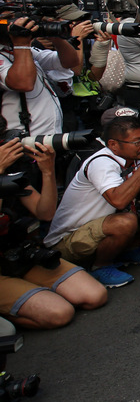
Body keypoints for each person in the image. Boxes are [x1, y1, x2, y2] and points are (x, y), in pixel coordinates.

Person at [45, 110, 140, 288]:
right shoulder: (101, 162)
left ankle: (128, 250)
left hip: (106, 224)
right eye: (137, 142)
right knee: (126, 222)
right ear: (113, 144)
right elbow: (119, 201)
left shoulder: (135, 156)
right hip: (69, 238)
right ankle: (100, 266)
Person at [0, 138, 108, 328]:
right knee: (60, 313)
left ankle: (28, 295)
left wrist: (47, 171)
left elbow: (45, 213)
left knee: (94, 296)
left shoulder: (9, 173)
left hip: (17, 254)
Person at [0, 15, 90, 136]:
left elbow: (70, 62)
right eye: (8, 19)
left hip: (49, 136)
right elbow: (23, 83)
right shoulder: (19, 49)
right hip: (23, 141)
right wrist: (21, 44)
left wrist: (54, 35)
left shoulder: (20, 50)